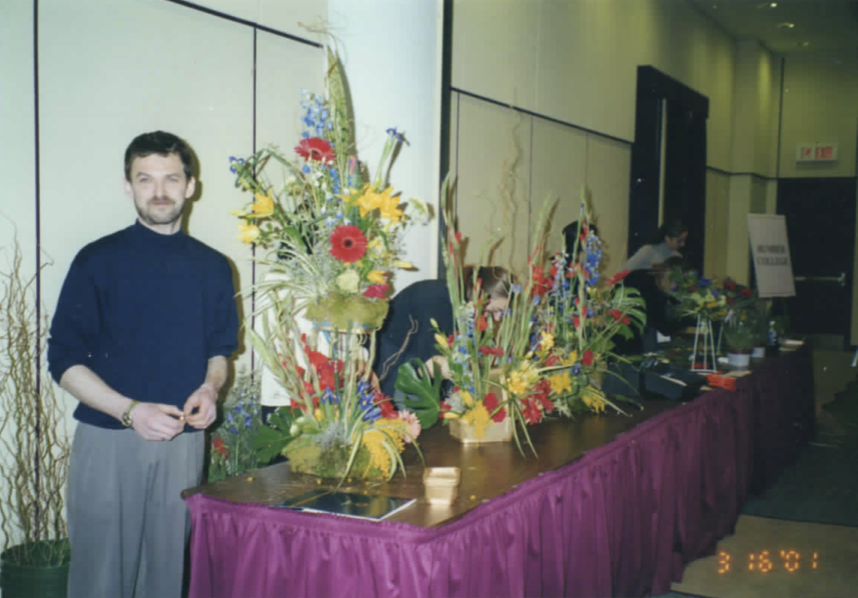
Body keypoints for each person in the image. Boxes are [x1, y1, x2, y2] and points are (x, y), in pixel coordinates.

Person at [47, 131, 239, 598]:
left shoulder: (214, 266)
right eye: (145, 179)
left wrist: (210, 389)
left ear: (190, 186)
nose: (159, 191)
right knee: (101, 581)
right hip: (111, 438)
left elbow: (220, 350)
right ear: (127, 186)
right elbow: (63, 360)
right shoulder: (97, 260)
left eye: (171, 178)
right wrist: (131, 411)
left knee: (167, 576)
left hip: (183, 441)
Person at [374, 266, 513, 398]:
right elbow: (430, 365)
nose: (497, 318)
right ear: (483, 294)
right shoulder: (437, 298)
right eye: (496, 311)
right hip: (391, 371)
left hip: (413, 377)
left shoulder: (472, 312)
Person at [620, 220, 688, 273]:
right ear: (667, 238)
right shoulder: (648, 251)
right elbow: (625, 271)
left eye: (684, 240)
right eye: (679, 241)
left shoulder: (678, 257)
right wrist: (612, 283)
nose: (683, 244)